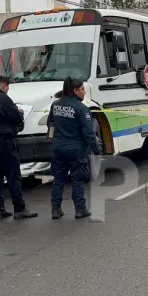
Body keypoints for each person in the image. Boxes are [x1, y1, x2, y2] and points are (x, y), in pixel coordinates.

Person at [0, 76, 38, 220]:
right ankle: (19, 208)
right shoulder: (3, 99)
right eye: (7, 88)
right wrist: (20, 113)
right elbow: (16, 117)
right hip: (4, 140)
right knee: (13, 175)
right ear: (4, 86)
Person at [47, 77, 101, 219]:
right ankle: (80, 209)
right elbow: (89, 133)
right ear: (75, 91)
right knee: (78, 179)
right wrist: (96, 150)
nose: (84, 92)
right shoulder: (81, 109)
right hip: (76, 149)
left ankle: (55, 210)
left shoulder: (55, 105)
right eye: (82, 89)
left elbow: (50, 126)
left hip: (58, 148)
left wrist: (53, 142)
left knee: (58, 179)